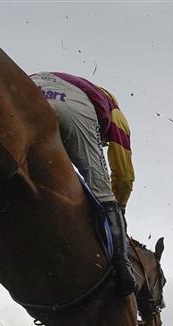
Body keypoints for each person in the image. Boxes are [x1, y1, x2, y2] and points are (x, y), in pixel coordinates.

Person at [29, 71, 136, 295]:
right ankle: (123, 271)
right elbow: (124, 176)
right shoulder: (115, 112)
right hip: (74, 106)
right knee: (103, 192)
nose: (103, 143)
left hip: (26, 89)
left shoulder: (67, 79)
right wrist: (120, 208)